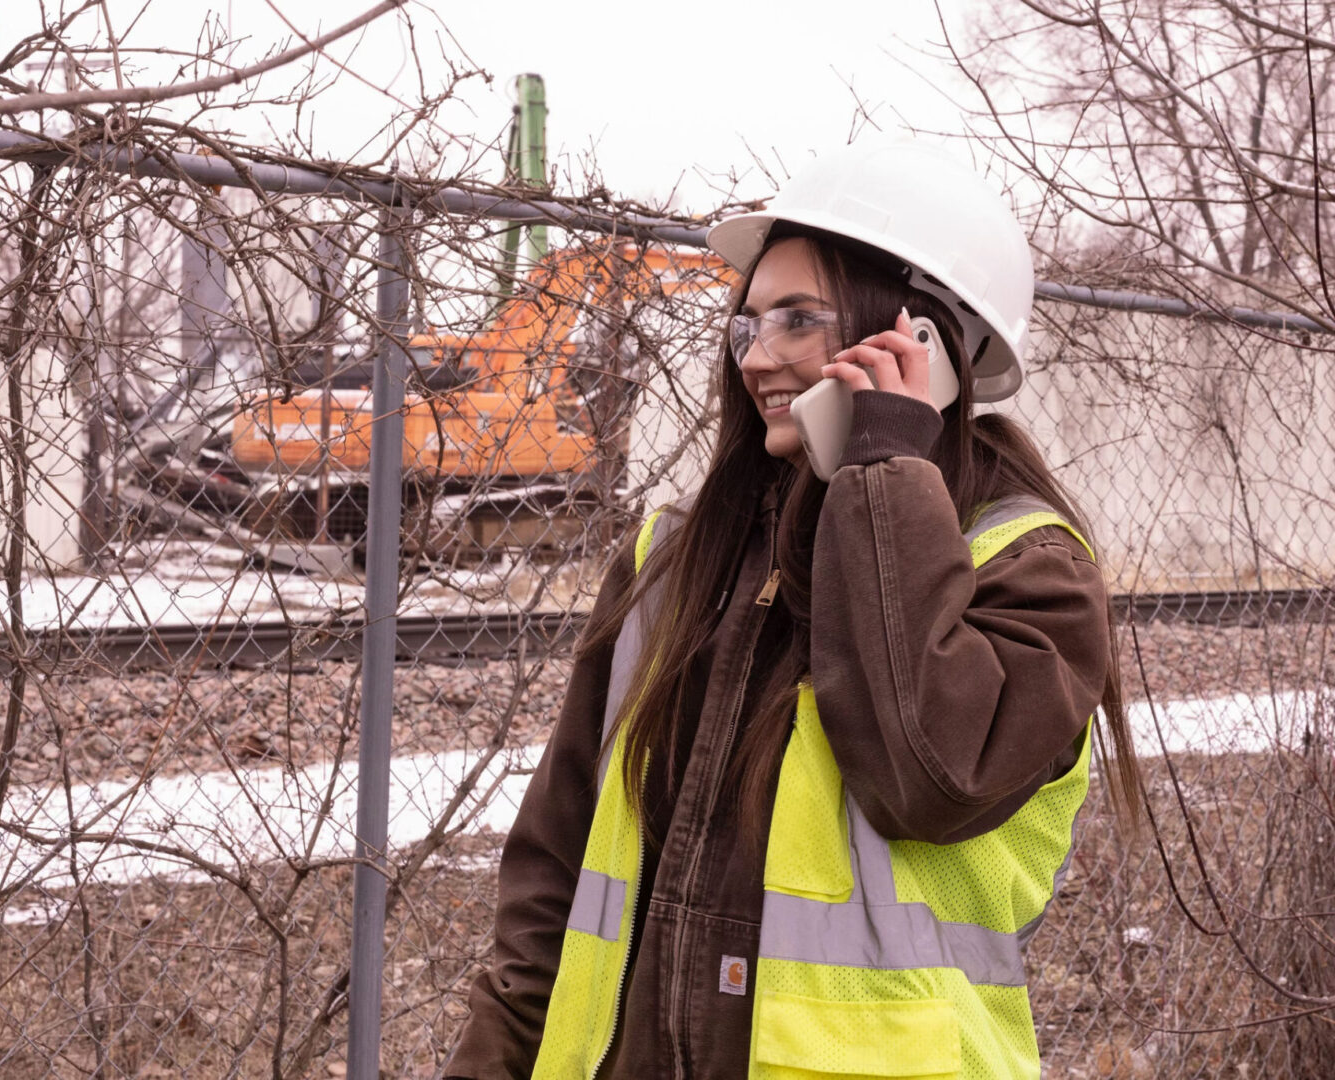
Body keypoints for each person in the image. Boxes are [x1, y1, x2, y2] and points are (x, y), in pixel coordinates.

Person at [444, 141, 1142, 1080]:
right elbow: (553, 871)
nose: (757, 358)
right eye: (747, 326)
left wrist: (885, 464)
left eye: (798, 320)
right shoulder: (676, 557)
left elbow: (931, 779)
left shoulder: (1030, 570)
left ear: (924, 341)